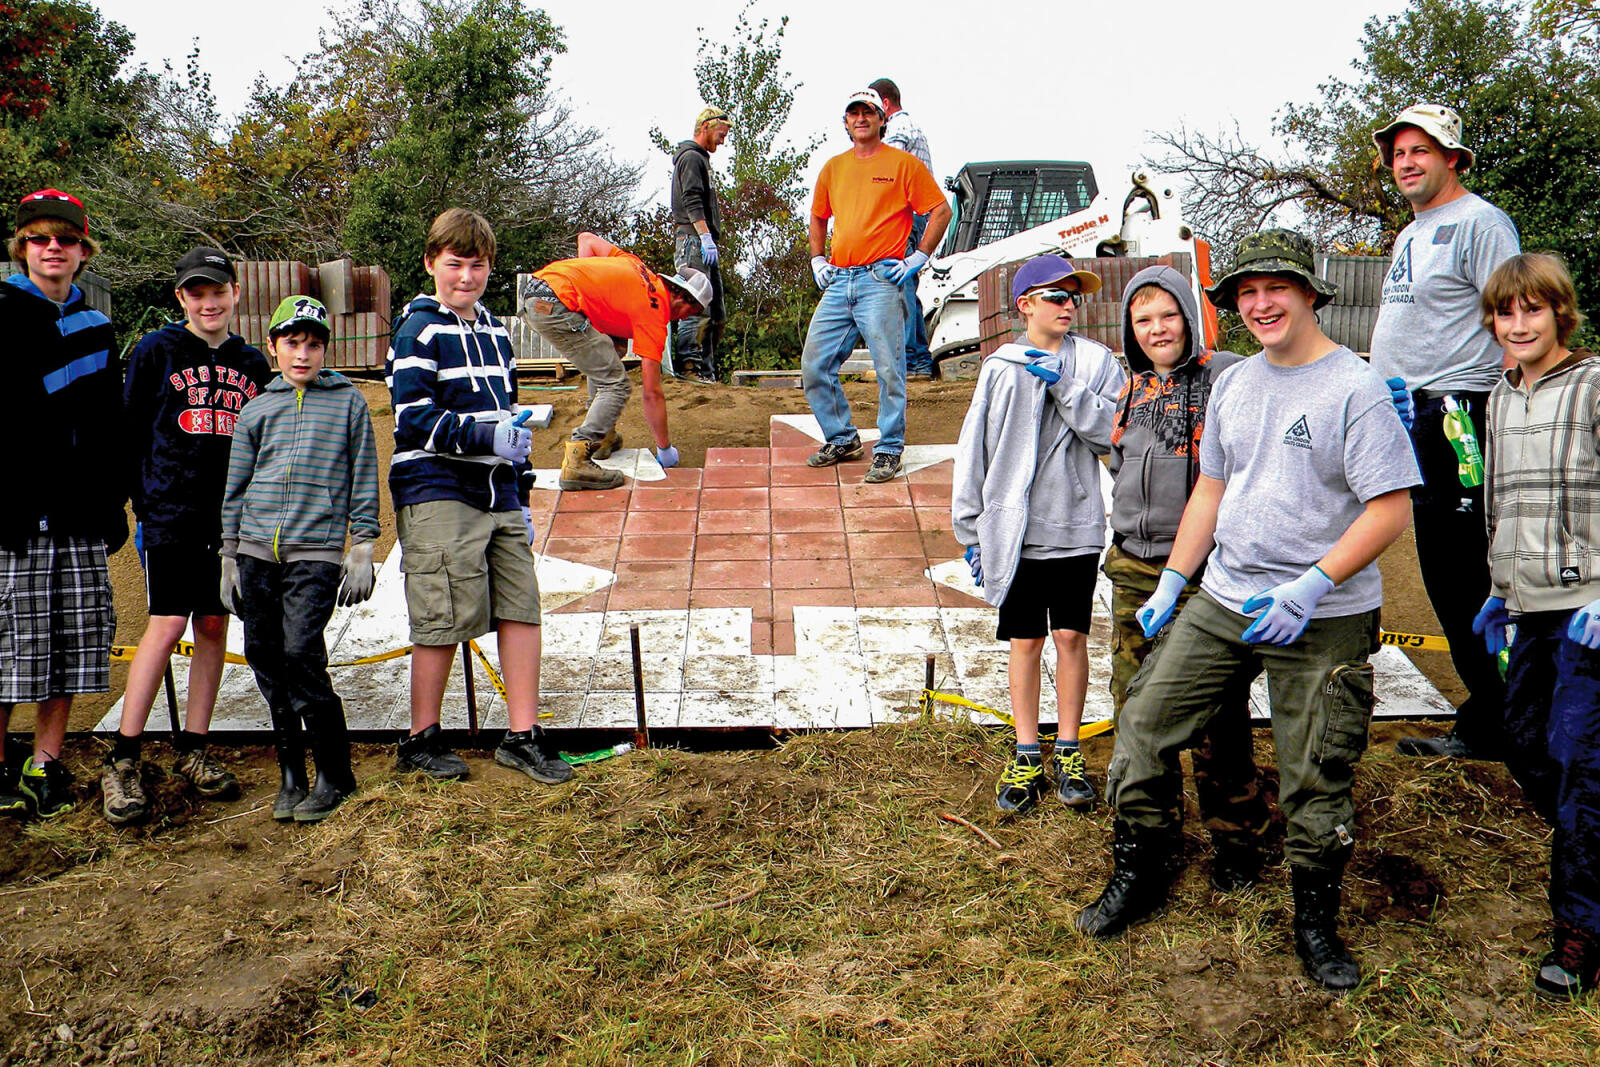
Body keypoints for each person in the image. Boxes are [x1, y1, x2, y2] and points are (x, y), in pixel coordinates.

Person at [1077, 230, 1420, 993]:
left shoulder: (1352, 388)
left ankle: (1315, 920)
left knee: (1315, 768)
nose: (1260, 305)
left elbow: (1390, 508)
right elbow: (1212, 487)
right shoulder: (1238, 385)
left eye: (1275, 289)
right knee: (1142, 724)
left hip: (1319, 611)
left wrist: (1312, 584)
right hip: (1226, 594)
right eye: (1246, 294)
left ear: (1309, 294)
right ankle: (1142, 870)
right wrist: (1173, 580)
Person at [388, 208, 571, 785]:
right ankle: (421, 737)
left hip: (498, 493)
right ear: (430, 264)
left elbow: (510, 415)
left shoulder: (494, 330)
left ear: (490, 268)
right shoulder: (418, 330)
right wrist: (483, 435)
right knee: (443, 614)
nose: (465, 276)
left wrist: (521, 485)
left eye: (477, 265)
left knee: (522, 606)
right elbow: (412, 419)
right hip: (438, 487)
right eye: (454, 264)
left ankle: (522, 736)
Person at [1104, 265, 1267, 889]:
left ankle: (1237, 837)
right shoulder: (1131, 388)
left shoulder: (1224, 374)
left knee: (1216, 712)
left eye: (1167, 315)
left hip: (1202, 573)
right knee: (1136, 706)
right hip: (1132, 569)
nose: (1156, 329)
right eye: (1143, 320)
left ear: (1189, 318)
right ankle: (1152, 837)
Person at [1368, 103, 1521, 761]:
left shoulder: (1481, 224)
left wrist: (1520, 415)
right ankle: (1493, 716)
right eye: (1398, 153)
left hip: (1460, 415)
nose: (1406, 163)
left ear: (1453, 157)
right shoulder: (1413, 231)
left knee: (1470, 579)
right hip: (1411, 418)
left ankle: (1515, 723)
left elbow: (1515, 320)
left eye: (1420, 151)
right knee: (1442, 576)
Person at [100, 246, 271, 825]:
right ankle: (123, 754)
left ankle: (194, 746)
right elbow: (129, 429)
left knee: (216, 622)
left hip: (230, 520)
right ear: (181, 299)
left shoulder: (252, 363)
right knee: (168, 622)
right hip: (170, 511)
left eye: (217, 290)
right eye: (196, 293)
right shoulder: (155, 351)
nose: (208, 301)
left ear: (236, 293)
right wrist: (131, 503)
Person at [952, 254, 1124, 815]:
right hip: (1016, 531)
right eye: (1055, 295)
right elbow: (974, 450)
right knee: (1025, 642)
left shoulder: (1097, 364)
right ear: (1024, 305)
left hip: (1075, 526)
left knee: (1072, 637)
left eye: (1074, 296)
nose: (1068, 305)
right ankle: (1027, 751)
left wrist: (1066, 388)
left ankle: (1068, 748)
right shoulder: (1000, 369)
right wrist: (971, 529)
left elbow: (1115, 436)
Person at [1471, 252, 1600, 998]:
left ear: (1560, 314)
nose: (1518, 323)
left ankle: (1581, 930)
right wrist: (1498, 587)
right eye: (1505, 311)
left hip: (1590, 616)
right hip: (1528, 608)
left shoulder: (1591, 385)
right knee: (1522, 743)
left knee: (1578, 763)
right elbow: (1500, 503)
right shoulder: (1497, 397)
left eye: (1534, 309)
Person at [220, 296, 378, 822]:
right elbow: (237, 486)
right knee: (265, 658)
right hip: (256, 553)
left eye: (313, 344)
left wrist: (362, 545)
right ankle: (292, 774)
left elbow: (362, 473)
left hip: (316, 552)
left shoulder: (348, 401)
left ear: (324, 350)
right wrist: (228, 556)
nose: (303, 354)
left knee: (301, 654)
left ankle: (336, 773)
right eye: (292, 343)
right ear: (273, 347)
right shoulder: (257, 408)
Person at [0, 189, 125, 820]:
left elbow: (108, 424)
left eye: (67, 240)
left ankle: (44, 761)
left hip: (77, 514)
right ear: (23, 247)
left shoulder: (97, 326)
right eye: (41, 238)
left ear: (82, 251)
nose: (55, 249)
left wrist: (113, 501)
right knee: (7, 644)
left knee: (71, 643)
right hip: (13, 516)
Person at [801, 88, 951, 484]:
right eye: (854, 112)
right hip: (839, 281)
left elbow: (940, 210)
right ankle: (841, 437)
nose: (861, 117)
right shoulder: (833, 167)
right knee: (815, 364)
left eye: (869, 111)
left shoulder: (902, 164)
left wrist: (919, 257)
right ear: (846, 122)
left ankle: (888, 449)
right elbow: (818, 217)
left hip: (880, 281)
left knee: (889, 368)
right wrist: (818, 260)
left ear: (882, 119)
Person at [520, 232, 710, 490]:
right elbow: (652, 393)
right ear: (682, 297)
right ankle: (578, 457)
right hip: (557, 306)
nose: (687, 318)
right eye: (693, 311)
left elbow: (586, 239)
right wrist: (664, 448)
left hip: (537, 290)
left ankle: (604, 436)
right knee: (616, 384)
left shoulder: (636, 266)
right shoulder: (655, 312)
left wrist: (584, 279)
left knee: (612, 349)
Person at [868, 77, 936, 379]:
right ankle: (918, 358)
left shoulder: (897, 129)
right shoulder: (910, 127)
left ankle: (910, 360)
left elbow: (888, 171)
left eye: (871, 109)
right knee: (906, 284)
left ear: (884, 104)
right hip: (917, 213)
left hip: (905, 214)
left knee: (900, 284)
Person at [670, 105, 731, 383]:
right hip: (692, 241)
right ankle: (689, 370)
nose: (723, 140)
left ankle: (706, 373)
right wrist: (704, 236)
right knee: (696, 306)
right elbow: (692, 200)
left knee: (715, 312)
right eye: (721, 133)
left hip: (702, 241)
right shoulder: (691, 158)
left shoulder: (701, 159)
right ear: (706, 127)